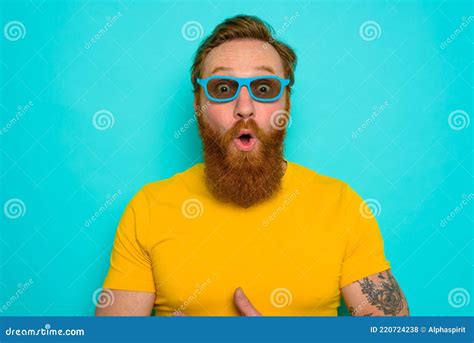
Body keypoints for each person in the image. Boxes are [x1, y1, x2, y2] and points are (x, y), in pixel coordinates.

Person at [96, 15, 409, 316]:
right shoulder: (148, 210)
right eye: (222, 89)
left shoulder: (341, 205)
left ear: (286, 102)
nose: (244, 108)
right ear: (198, 106)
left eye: (263, 89)